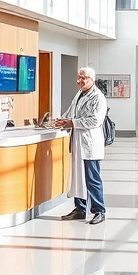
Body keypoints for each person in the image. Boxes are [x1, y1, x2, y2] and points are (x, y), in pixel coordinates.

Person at [56, 67, 107, 224]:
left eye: (83, 78)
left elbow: (95, 121)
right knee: (77, 177)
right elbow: (71, 113)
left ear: (92, 79)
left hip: (89, 144)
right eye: (78, 77)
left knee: (92, 178)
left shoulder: (98, 98)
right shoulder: (79, 94)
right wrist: (60, 121)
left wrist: (72, 123)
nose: (79, 81)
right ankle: (80, 208)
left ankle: (99, 210)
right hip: (78, 143)